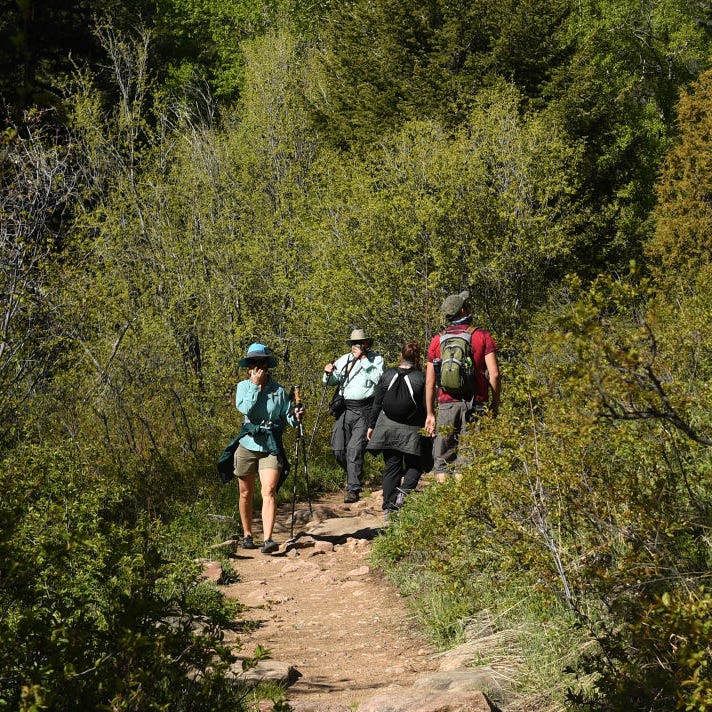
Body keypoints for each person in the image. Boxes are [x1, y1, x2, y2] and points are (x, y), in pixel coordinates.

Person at [234, 343, 304, 554]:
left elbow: (286, 417)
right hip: (248, 443)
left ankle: (268, 539)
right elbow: (244, 408)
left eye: (262, 362)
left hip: (270, 444)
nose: (258, 366)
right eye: (254, 362)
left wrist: (296, 417)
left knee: (269, 490)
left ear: (268, 365)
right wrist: (255, 387)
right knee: (246, 492)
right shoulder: (243, 387)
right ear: (249, 366)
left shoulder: (279, 391)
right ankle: (247, 534)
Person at [425, 291, 501, 482]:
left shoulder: (437, 340)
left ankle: (444, 501)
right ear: (464, 310)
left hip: (446, 404)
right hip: (475, 402)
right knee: (467, 456)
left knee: (442, 458)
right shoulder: (482, 336)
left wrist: (430, 413)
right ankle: (463, 504)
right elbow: (495, 374)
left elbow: (430, 382)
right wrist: (495, 403)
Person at [366, 341, 431, 516]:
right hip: (412, 429)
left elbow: (377, 403)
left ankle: (388, 507)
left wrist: (371, 426)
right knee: (415, 465)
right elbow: (426, 407)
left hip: (387, 428)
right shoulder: (421, 378)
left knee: (391, 466)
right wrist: (429, 424)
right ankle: (402, 495)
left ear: (401, 356)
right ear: (417, 358)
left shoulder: (387, 375)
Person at [323, 328, 384, 503]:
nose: (355, 346)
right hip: (345, 409)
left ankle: (353, 489)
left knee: (354, 449)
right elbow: (331, 381)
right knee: (338, 449)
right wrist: (327, 373)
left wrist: (363, 360)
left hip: (365, 410)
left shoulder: (376, 360)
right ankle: (354, 475)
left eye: (359, 343)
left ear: (366, 344)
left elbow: (379, 380)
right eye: (353, 343)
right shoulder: (344, 359)